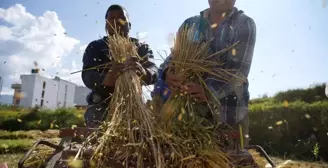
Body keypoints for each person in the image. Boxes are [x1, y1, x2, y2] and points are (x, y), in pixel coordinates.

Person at [152, 0, 256, 145]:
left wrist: (208, 91)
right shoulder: (191, 24)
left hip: (228, 115)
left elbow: (239, 71)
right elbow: (172, 58)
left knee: (231, 164)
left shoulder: (243, 23)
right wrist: (167, 73)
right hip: (186, 115)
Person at [82, 4, 158, 127]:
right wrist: (104, 79)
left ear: (129, 24)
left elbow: (154, 70)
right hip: (101, 104)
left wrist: (143, 72)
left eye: (121, 17)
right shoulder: (95, 47)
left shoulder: (141, 47)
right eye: (111, 18)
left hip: (134, 103)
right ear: (106, 25)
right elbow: (87, 74)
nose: (116, 21)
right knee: (97, 136)